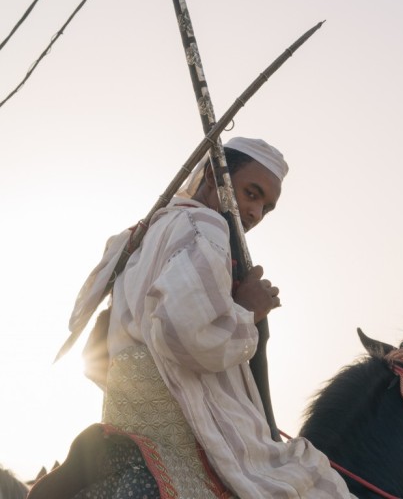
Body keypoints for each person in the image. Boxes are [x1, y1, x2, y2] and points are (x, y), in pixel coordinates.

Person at [28, 137, 352, 499]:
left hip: (128, 424)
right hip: (184, 435)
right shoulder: (207, 227)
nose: (256, 213)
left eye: (267, 207)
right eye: (251, 193)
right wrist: (248, 309)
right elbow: (186, 336)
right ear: (214, 177)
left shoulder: (144, 235)